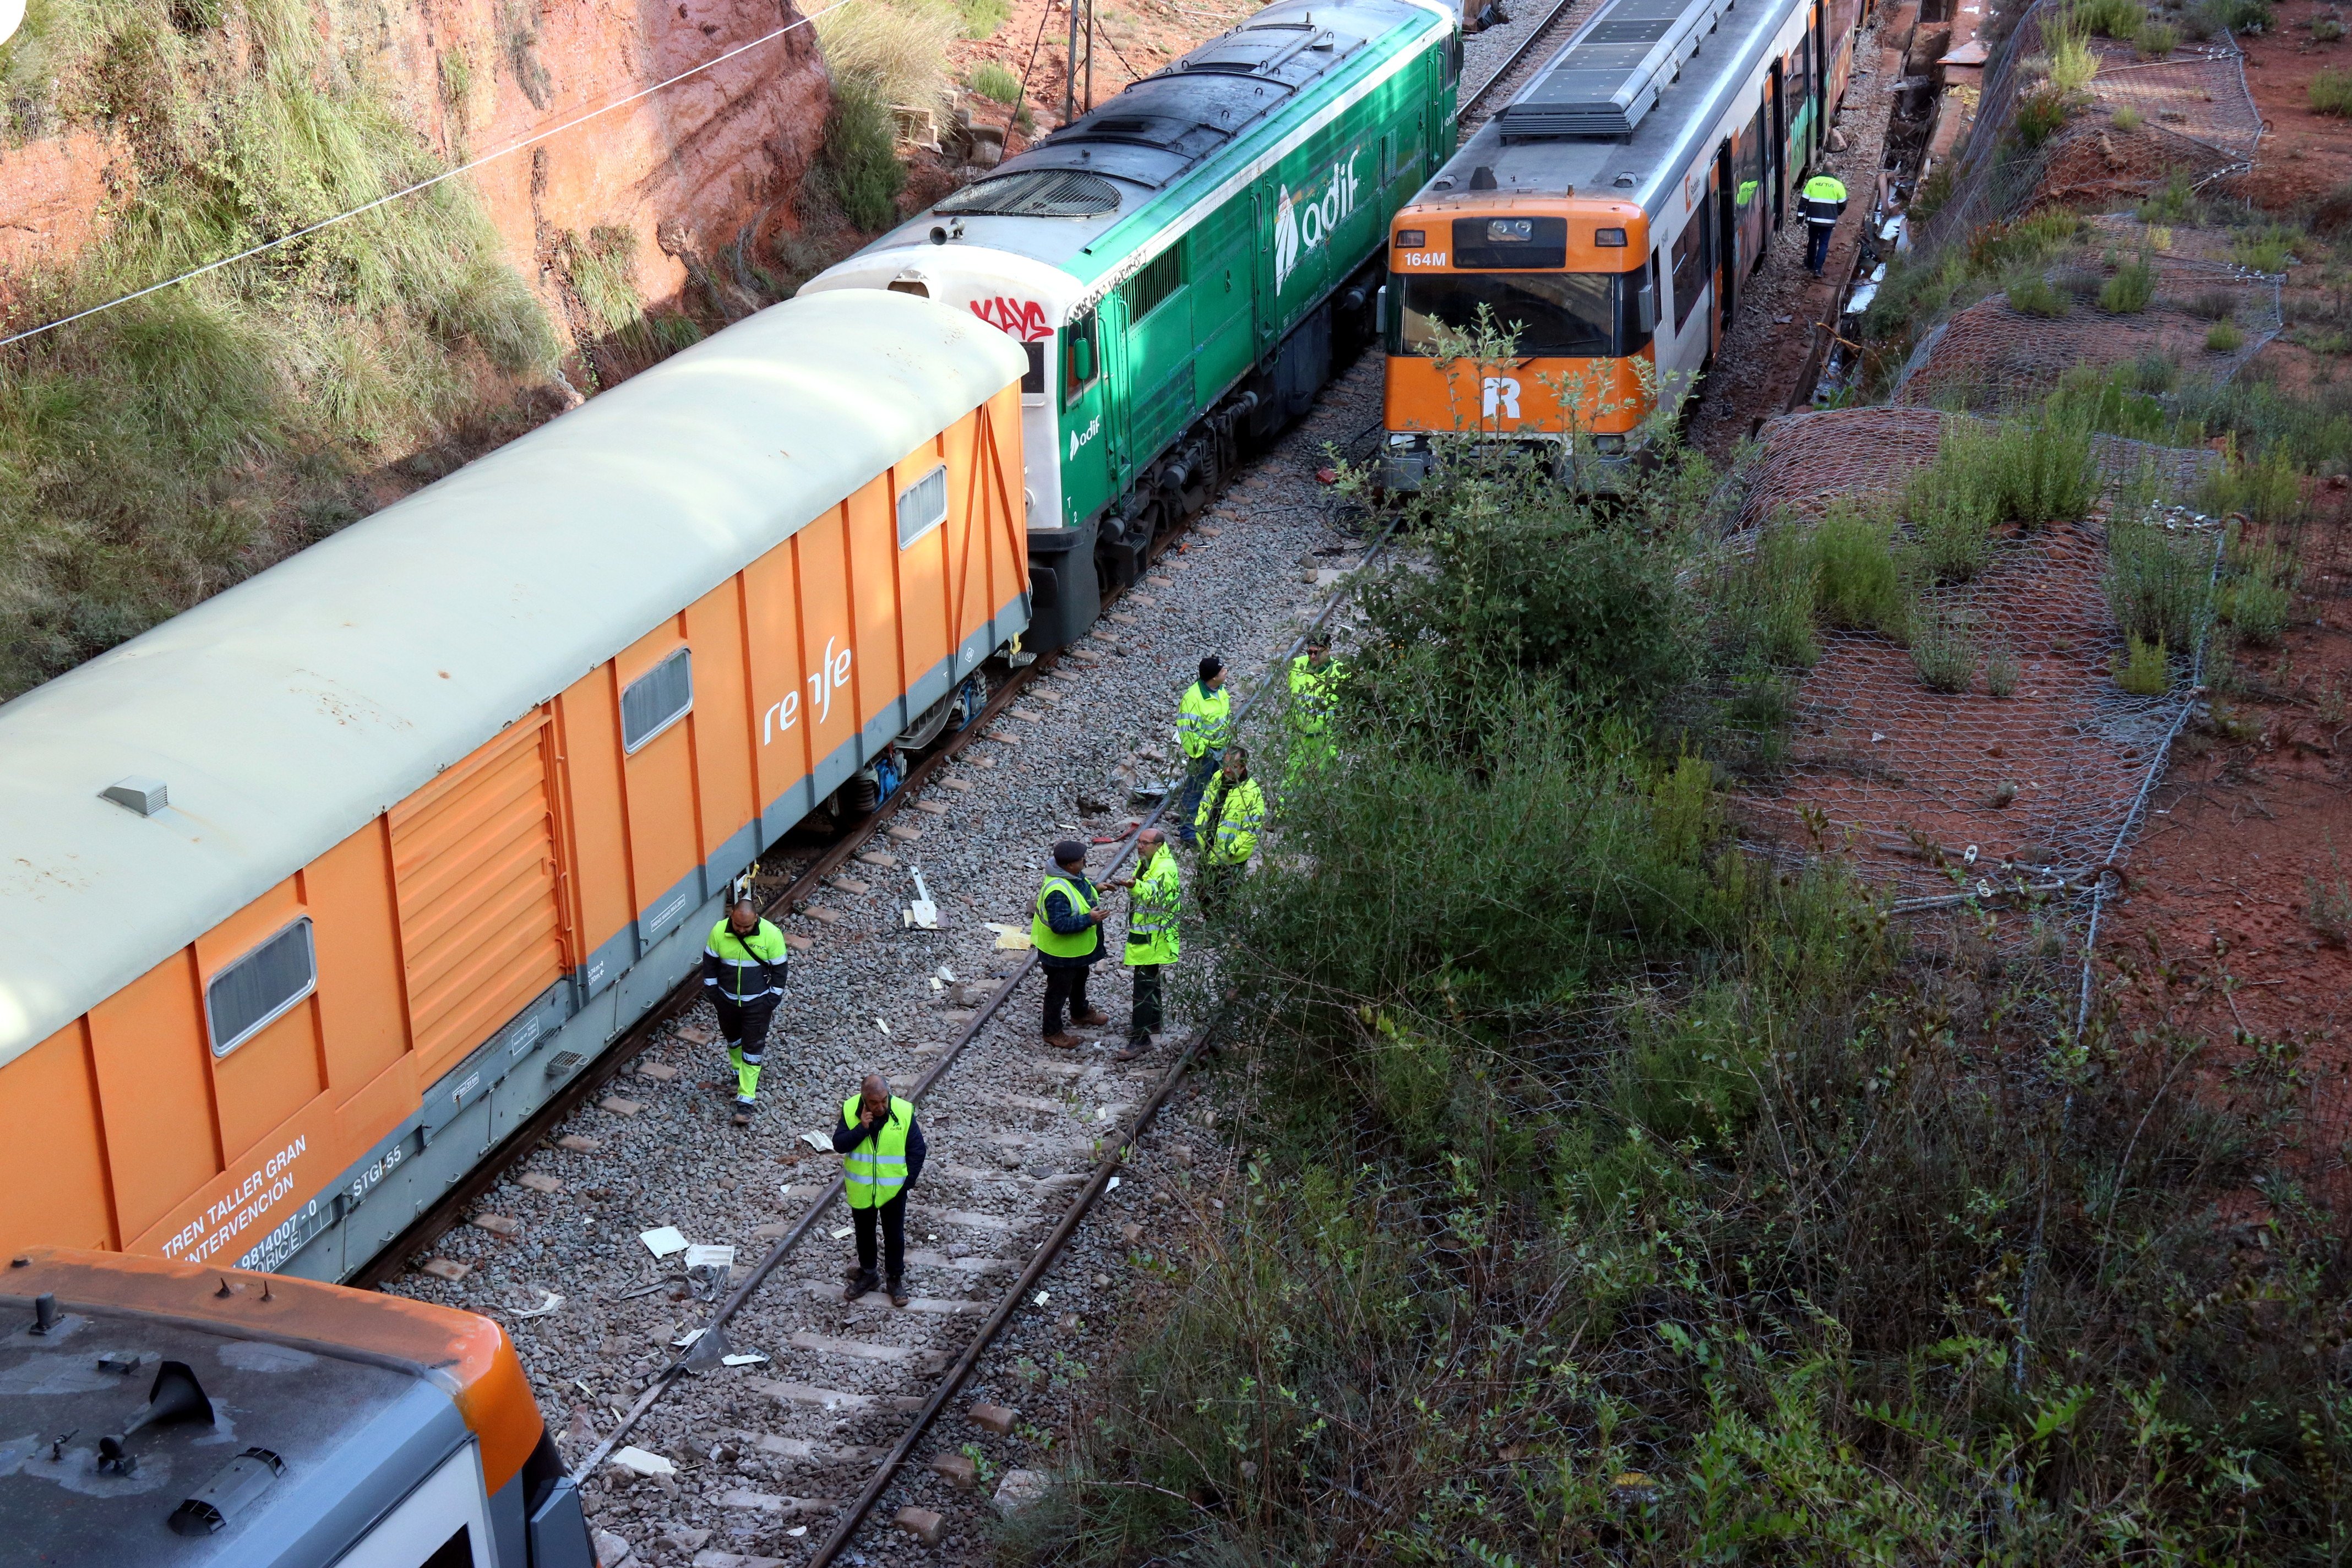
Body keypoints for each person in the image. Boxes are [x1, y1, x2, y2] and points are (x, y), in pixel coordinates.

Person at [832, 1074, 925, 1307]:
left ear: (888, 1093)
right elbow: (839, 1144)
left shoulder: (903, 1112)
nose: (880, 1106)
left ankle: (895, 1278)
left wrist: (907, 1183)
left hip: (893, 1190)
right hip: (862, 1188)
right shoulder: (850, 1109)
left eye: (884, 1100)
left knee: (894, 1236)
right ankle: (869, 1274)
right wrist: (862, 1128)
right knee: (864, 1234)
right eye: (874, 1103)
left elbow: (917, 1150)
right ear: (864, 1099)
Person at [699, 898, 788, 1126]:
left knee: (753, 1048)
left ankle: (746, 1100)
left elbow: (780, 970)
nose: (741, 930)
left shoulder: (772, 935)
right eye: (737, 926)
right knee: (733, 1040)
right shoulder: (719, 931)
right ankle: (739, 1073)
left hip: (758, 1005)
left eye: (746, 927)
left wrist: (771, 1000)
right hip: (726, 1002)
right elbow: (709, 964)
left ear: (756, 920)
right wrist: (714, 994)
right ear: (732, 917)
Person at [1109, 827, 1179, 1060]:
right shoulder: (1150, 861)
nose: (1140, 847)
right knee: (1151, 979)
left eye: (1145, 843)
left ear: (1158, 845)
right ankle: (1153, 1022)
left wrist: (1134, 887)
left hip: (1154, 938)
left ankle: (1141, 1039)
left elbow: (1153, 895)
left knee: (1142, 986)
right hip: (1151, 935)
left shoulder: (1164, 868)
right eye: (1139, 842)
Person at [1032, 838, 1109, 1048]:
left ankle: (1080, 1012)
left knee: (1080, 978)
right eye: (1081, 860)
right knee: (1058, 991)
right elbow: (1059, 925)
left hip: (1075, 951)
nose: (1084, 861)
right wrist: (1089, 919)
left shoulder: (1069, 875)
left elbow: (1080, 888)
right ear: (1069, 866)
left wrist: (1096, 887)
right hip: (1061, 953)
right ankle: (1052, 1031)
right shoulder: (1057, 891)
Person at [1193, 745, 1267, 916]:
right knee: (1202, 894)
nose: (1227, 770)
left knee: (1225, 900)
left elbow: (1252, 831)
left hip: (1230, 861)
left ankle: (1224, 932)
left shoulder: (1251, 793)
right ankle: (1210, 927)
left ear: (1243, 767)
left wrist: (1231, 851)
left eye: (1233, 766)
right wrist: (1200, 833)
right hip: (1208, 851)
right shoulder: (1218, 778)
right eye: (1225, 765)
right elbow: (1205, 806)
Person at [1174, 656, 1233, 846]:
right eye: (1223, 670)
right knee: (1195, 792)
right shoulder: (1193, 698)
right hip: (1205, 754)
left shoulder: (1220, 691)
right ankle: (1188, 834)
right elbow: (1187, 731)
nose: (1226, 672)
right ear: (1214, 677)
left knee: (1217, 789)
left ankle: (1210, 825)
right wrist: (1202, 753)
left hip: (1220, 750)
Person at [1284, 632, 1342, 788]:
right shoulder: (1297, 666)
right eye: (1310, 652)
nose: (1312, 656)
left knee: (1323, 782)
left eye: (1317, 652)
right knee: (1292, 779)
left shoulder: (1340, 672)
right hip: (1299, 738)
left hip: (1325, 740)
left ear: (1328, 650)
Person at [1800, 170, 1849, 276]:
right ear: (1833, 171)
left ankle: (1810, 264)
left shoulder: (1813, 182)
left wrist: (1800, 216)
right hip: (1828, 221)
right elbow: (1843, 203)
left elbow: (1803, 201)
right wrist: (1837, 213)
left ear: (1822, 170)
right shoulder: (1838, 185)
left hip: (1813, 219)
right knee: (1823, 244)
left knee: (1812, 241)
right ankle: (1818, 270)